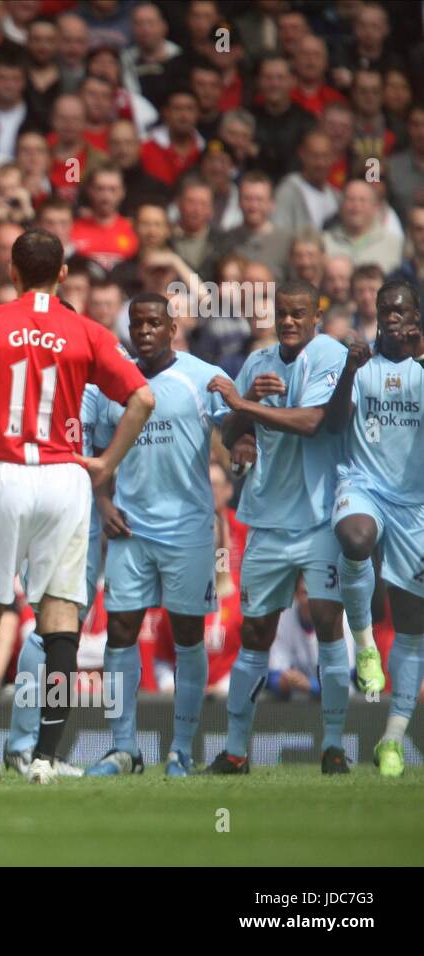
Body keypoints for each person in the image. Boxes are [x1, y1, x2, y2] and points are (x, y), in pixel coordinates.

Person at [0, 228, 153, 784]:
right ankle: (47, 759)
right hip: (64, 478)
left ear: (11, 272)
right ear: (61, 276)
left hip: (1, 475)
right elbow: (143, 398)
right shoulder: (88, 330)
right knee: (59, 621)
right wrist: (106, 464)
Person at [206, 280, 353, 775]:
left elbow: (314, 421)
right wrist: (243, 406)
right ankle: (235, 751)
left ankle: (333, 745)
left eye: (298, 314)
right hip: (267, 519)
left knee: (330, 625)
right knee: (255, 632)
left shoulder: (330, 354)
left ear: (315, 317)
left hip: (318, 517)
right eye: (282, 314)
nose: (289, 321)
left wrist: (244, 405)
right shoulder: (257, 363)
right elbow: (230, 434)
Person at [85, 293, 230, 778]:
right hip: (130, 528)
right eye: (136, 324)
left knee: (188, 635)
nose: (144, 331)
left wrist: (243, 443)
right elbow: (100, 451)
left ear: (172, 328)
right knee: (121, 631)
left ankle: (181, 750)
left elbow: (235, 434)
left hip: (187, 529)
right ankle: (123, 747)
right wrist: (103, 503)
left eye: (153, 323)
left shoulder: (201, 377)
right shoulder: (112, 380)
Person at [324, 280, 424, 778]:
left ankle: (392, 739)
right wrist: (349, 368)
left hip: (415, 506)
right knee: (355, 538)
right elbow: (333, 423)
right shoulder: (360, 363)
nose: (392, 316)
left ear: (416, 320)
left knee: (412, 627)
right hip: (362, 484)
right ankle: (364, 646)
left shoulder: (423, 373)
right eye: (386, 308)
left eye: (402, 310)